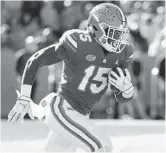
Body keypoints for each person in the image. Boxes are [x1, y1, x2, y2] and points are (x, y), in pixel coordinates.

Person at [8, 3, 134, 152]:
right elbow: (35, 60)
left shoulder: (122, 52)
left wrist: (127, 90)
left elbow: (120, 97)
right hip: (62, 109)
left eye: (120, 33)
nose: (118, 39)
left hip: (80, 115)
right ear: (96, 28)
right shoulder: (79, 43)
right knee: (102, 146)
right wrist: (24, 97)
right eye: (113, 32)